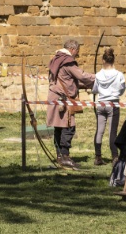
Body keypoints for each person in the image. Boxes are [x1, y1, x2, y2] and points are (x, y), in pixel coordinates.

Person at [47, 39, 95, 169]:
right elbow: (82, 75)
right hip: (62, 98)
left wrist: (83, 86)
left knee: (59, 127)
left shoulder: (56, 60)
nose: (77, 55)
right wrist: (100, 78)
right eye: (77, 52)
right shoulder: (67, 61)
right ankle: (65, 156)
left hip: (56, 96)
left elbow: (67, 80)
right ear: (73, 49)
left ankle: (59, 156)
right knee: (68, 127)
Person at [92, 48, 126, 166]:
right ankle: (115, 157)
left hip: (101, 104)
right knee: (112, 132)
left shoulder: (98, 75)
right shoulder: (119, 74)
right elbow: (122, 89)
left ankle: (98, 157)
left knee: (99, 131)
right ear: (113, 60)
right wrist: (116, 94)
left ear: (103, 60)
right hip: (113, 104)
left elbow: (95, 89)